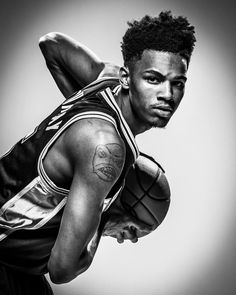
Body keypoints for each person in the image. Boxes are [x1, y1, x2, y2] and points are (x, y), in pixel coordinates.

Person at [0, 11, 196, 295]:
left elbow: (52, 44)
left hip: (16, 264)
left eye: (177, 83)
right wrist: (103, 218)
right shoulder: (105, 147)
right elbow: (62, 270)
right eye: (153, 79)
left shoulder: (105, 81)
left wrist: (78, 111)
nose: (167, 94)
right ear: (127, 77)